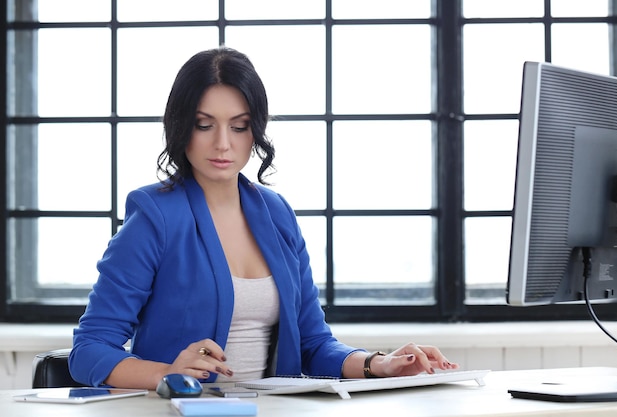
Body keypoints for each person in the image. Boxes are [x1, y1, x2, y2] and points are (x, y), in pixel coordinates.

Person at [69, 46, 459, 389]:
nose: (223, 143)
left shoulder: (277, 214)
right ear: (181, 127)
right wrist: (166, 374)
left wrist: (381, 364)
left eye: (239, 127)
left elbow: (313, 344)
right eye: (204, 125)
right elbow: (89, 350)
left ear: (255, 131)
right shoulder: (155, 216)